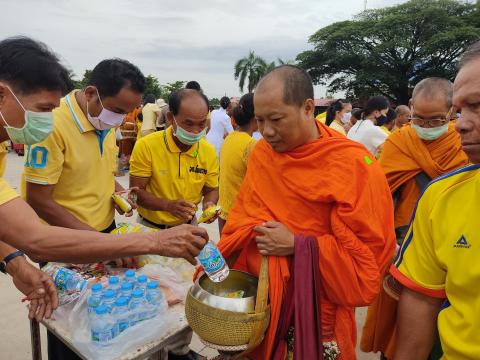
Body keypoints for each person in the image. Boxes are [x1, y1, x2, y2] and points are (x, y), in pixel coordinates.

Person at [0, 37, 208, 323]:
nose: (120, 120)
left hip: (101, 234)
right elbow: (34, 226)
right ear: (90, 94)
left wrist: (13, 261)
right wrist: (154, 241)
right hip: (66, 241)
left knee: (108, 315)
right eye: (44, 109)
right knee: (76, 322)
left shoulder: (104, 123)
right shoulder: (55, 127)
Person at [210, 65, 395, 359]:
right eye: (259, 120)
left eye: (276, 119)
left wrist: (298, 244)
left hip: (319, 313)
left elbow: (368, 264)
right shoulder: (262, 154)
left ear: (308, 108)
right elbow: (245, 216)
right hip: (262, 302)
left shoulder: (353, 165)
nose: (267, 131)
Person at [360, 77, 468, 359]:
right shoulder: (399, 141)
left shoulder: (463, 141)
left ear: (451, 113)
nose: (427, 127)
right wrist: (384, 241)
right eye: (419, 119)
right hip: (402, 245)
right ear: (409, 110)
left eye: (436, 120)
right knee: (402, 323)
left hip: (454, 245)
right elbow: (378, 195)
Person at [392, 40, 480, 360]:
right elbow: (419, 300)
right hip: (408, 231)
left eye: (479, 106)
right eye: (460, 110)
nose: (464, 124)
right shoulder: (442, 196)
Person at [129, 88, 218, 360]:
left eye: (201, 123)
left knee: (185, 297)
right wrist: (167, 205)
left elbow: (211, 188)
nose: (195, 130)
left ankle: (178, 350)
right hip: (149, 233)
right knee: (152, 299)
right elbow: (135, 191)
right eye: (188, 123)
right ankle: (149, 351)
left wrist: (210, 206)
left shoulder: (207, 151)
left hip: (187, 233)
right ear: (170, 118)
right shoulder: (148, 145)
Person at [218, 93, 257, 233]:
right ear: (257, 117)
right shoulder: (251, 145)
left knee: (224, 254)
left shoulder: (229, 138)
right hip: (240, 218)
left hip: (224, 213)